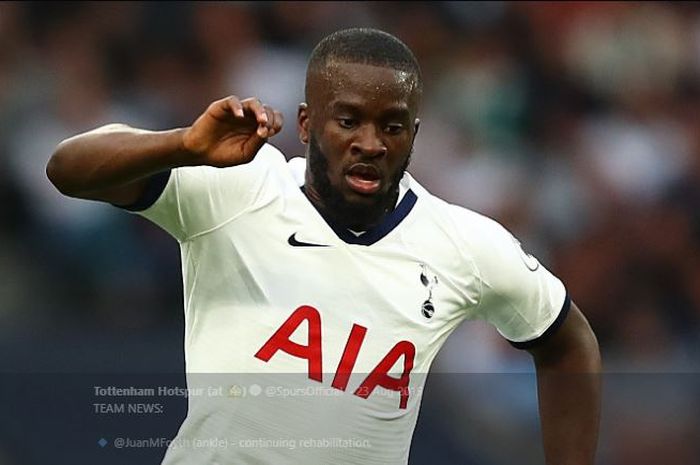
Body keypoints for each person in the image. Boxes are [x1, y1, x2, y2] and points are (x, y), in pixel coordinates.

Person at [47, 28, 601, 465]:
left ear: (414, 133)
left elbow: (567, 341)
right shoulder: (238, 185)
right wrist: (184, 145)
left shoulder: (464, 245)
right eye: (348, 120)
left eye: (393, 126)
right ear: (308, 125)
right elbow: (68, 169)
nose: (370, 143)